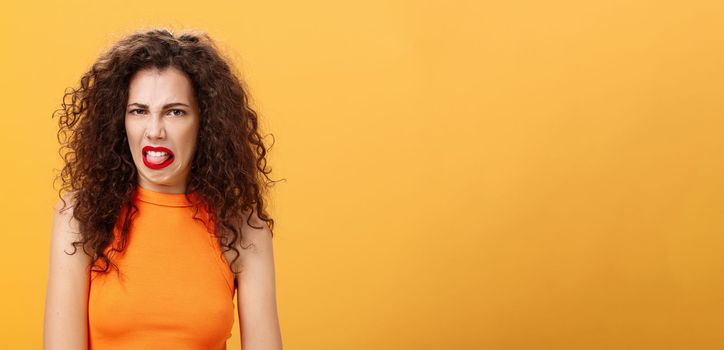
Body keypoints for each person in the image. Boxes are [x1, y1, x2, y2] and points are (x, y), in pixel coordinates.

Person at [43, 28, 283, 350]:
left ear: (205, 122)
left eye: (175, 112)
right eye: (139, 111)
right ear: (120, 121)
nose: (154, 131)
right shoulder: (80, 218)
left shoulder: (243, 230)